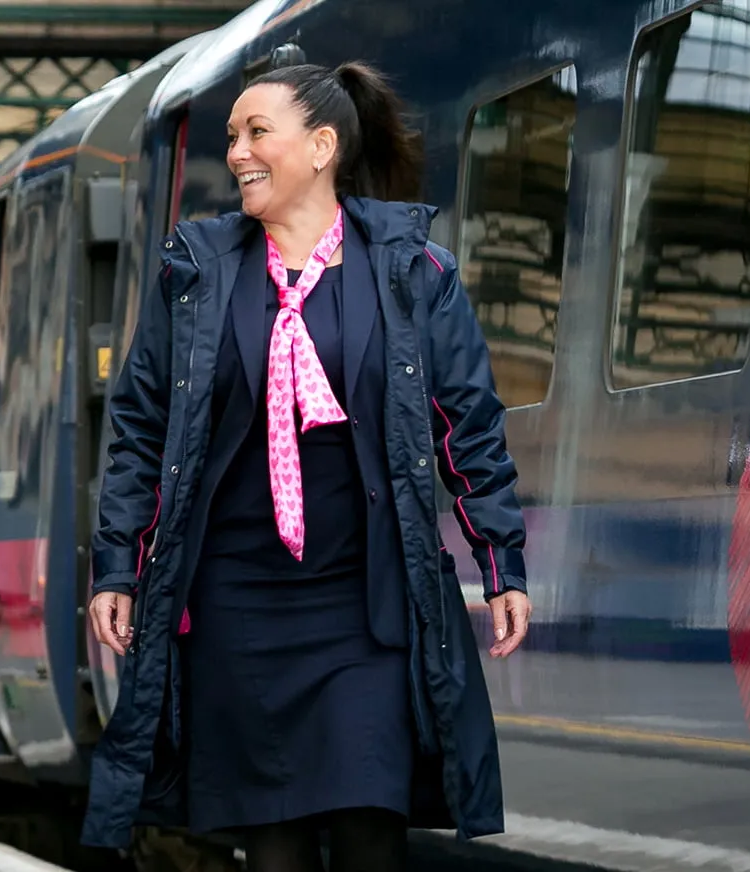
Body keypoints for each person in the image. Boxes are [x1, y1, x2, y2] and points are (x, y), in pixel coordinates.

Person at [79, 62, 535, 870]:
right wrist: (117, 570)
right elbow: (141, 431)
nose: (238, 154)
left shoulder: (409, 270)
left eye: (258, 134)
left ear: (322, 146)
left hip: (364, 601)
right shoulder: (197, 272)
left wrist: (502, 564)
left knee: (370, 828)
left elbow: (468, 425)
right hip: (236, 603)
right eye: (232, 138)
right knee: (275, 846)